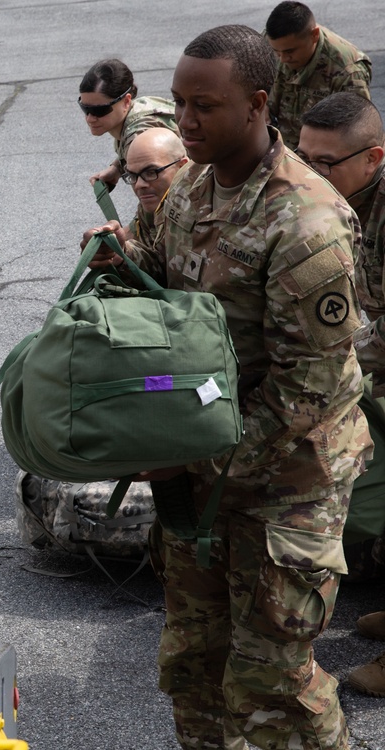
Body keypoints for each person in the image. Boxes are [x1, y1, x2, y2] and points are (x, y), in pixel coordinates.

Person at [85, 25, 370, 749]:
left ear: (258, 104)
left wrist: (194, 457)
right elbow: (167, 276)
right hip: (201, 462)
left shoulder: (307, 222)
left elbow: (305, 391)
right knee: (196, 660)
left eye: (204, 106)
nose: (184, 121)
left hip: (286, 481)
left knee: (272, 682)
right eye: (179, 102)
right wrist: (123, 258)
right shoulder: (192, 187)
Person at [297, 92, 385, 697]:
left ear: (373, 158)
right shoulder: (342, 200)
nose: (310, 172)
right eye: (304, 156)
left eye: (326, 162)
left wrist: (339, 364)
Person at [265, 1, 372, 151]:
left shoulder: (347, 73)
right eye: (276, 52)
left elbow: (356, 134)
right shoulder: (272, 41)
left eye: (290, 52)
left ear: (314, 35)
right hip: (276, 144)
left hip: (318, 154)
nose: (282, 59)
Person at [79, 58, 179, 191]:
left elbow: (158, 194)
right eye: (85, 108)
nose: (90, 118)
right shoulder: (139, 107)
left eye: (99, 110)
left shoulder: (139, 134)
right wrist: (117, 168)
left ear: (126, 101)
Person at [119, 127, 188, 248]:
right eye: (132, 175)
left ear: (182, 167)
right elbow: (155, 256)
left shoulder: (204, 208)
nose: (139, 185)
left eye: (151, 172)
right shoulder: (153, 203)